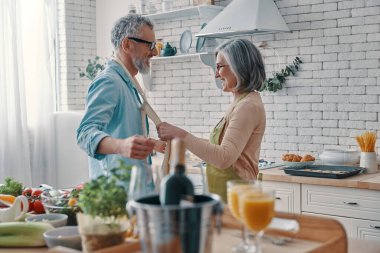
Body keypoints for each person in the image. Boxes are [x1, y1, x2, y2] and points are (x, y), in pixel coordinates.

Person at [157, 38, 266, 202]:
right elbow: (218, 148)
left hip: (236, 198)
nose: (216, 74)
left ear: (239, 67)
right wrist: (178, 138)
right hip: (227, 195)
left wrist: (181, 136)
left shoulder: (247, 107)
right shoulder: (242, 102)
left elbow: (224, 158)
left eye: (219, 67)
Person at [77, 14, 164, 180]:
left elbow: (122, 131)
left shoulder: (128, 83)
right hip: (115, 195)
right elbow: (84, 134)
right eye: (150, 45)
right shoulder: (109, 82)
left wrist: (152, 144)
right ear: (127, 44)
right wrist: (121, 146)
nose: (154, 52)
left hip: (134, 189)